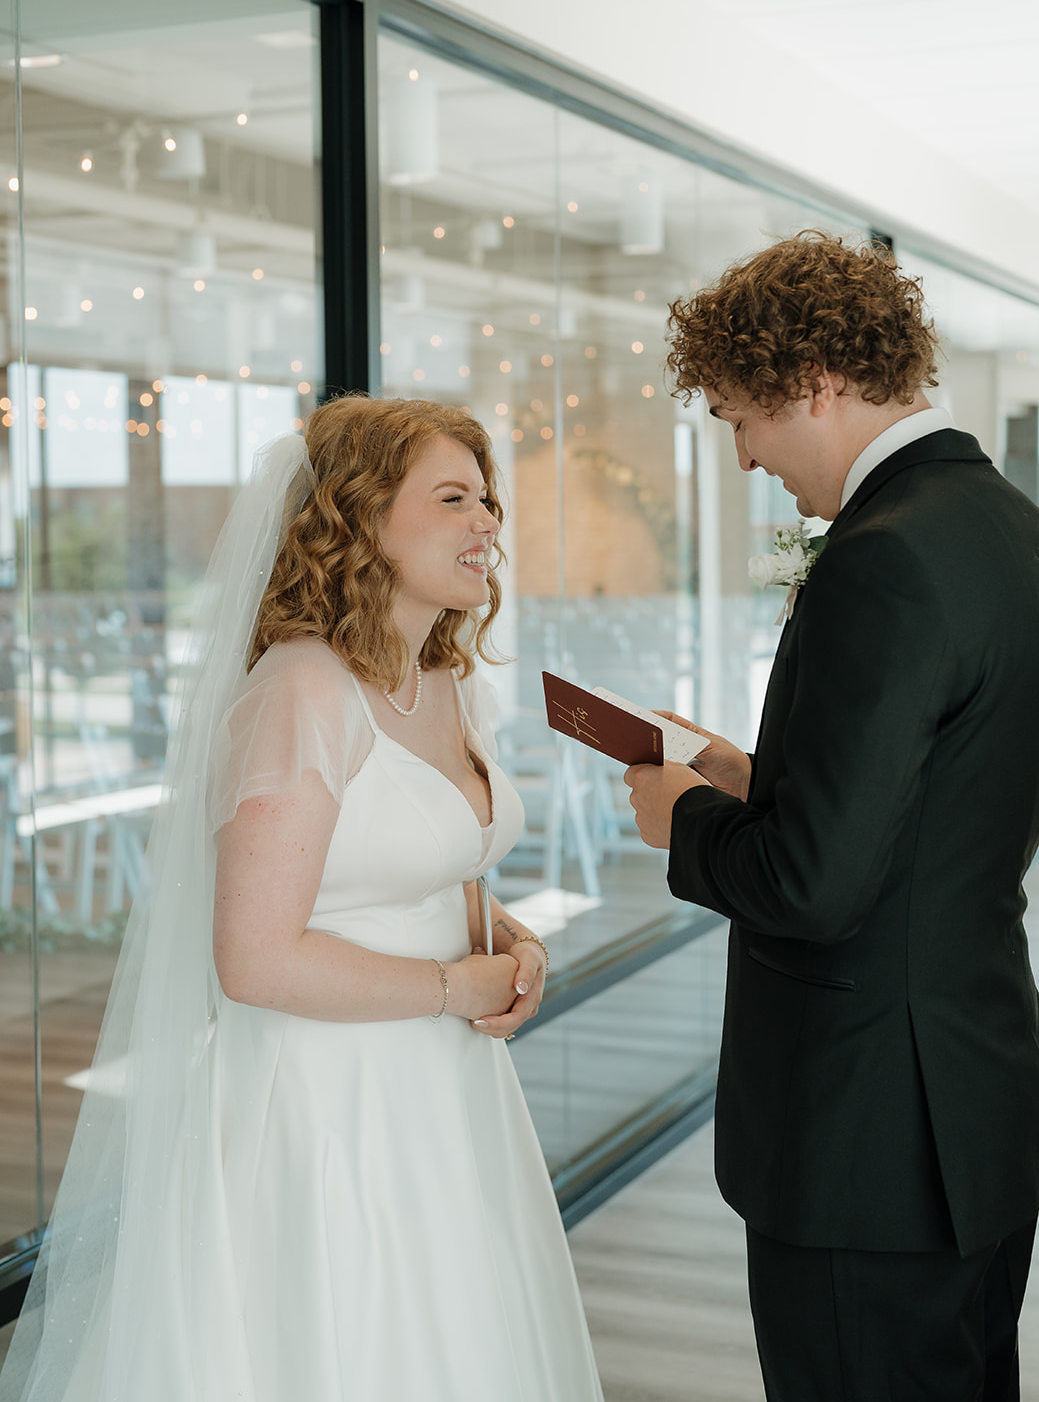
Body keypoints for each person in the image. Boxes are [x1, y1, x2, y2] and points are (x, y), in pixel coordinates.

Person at [1, 395, 603, 1402]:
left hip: (448, 1088)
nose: (487, 522)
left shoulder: (445, 677)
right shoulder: (300, 690)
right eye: (453, 497)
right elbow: (256, 956)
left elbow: (430, 864)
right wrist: (458, 982)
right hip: (326, 1097)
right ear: (360, 517)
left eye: (486, 499)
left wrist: (507, 936)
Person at [624, 232, 1039, 1402]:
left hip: (865, 1130)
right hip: (972, 1106)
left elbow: (812, 887)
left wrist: (682, 820)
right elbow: (934, 796)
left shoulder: (880, 557)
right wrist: (754, 774)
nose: (741, 457)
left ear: (812, 383)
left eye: (739, 420)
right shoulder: (1018, 534)